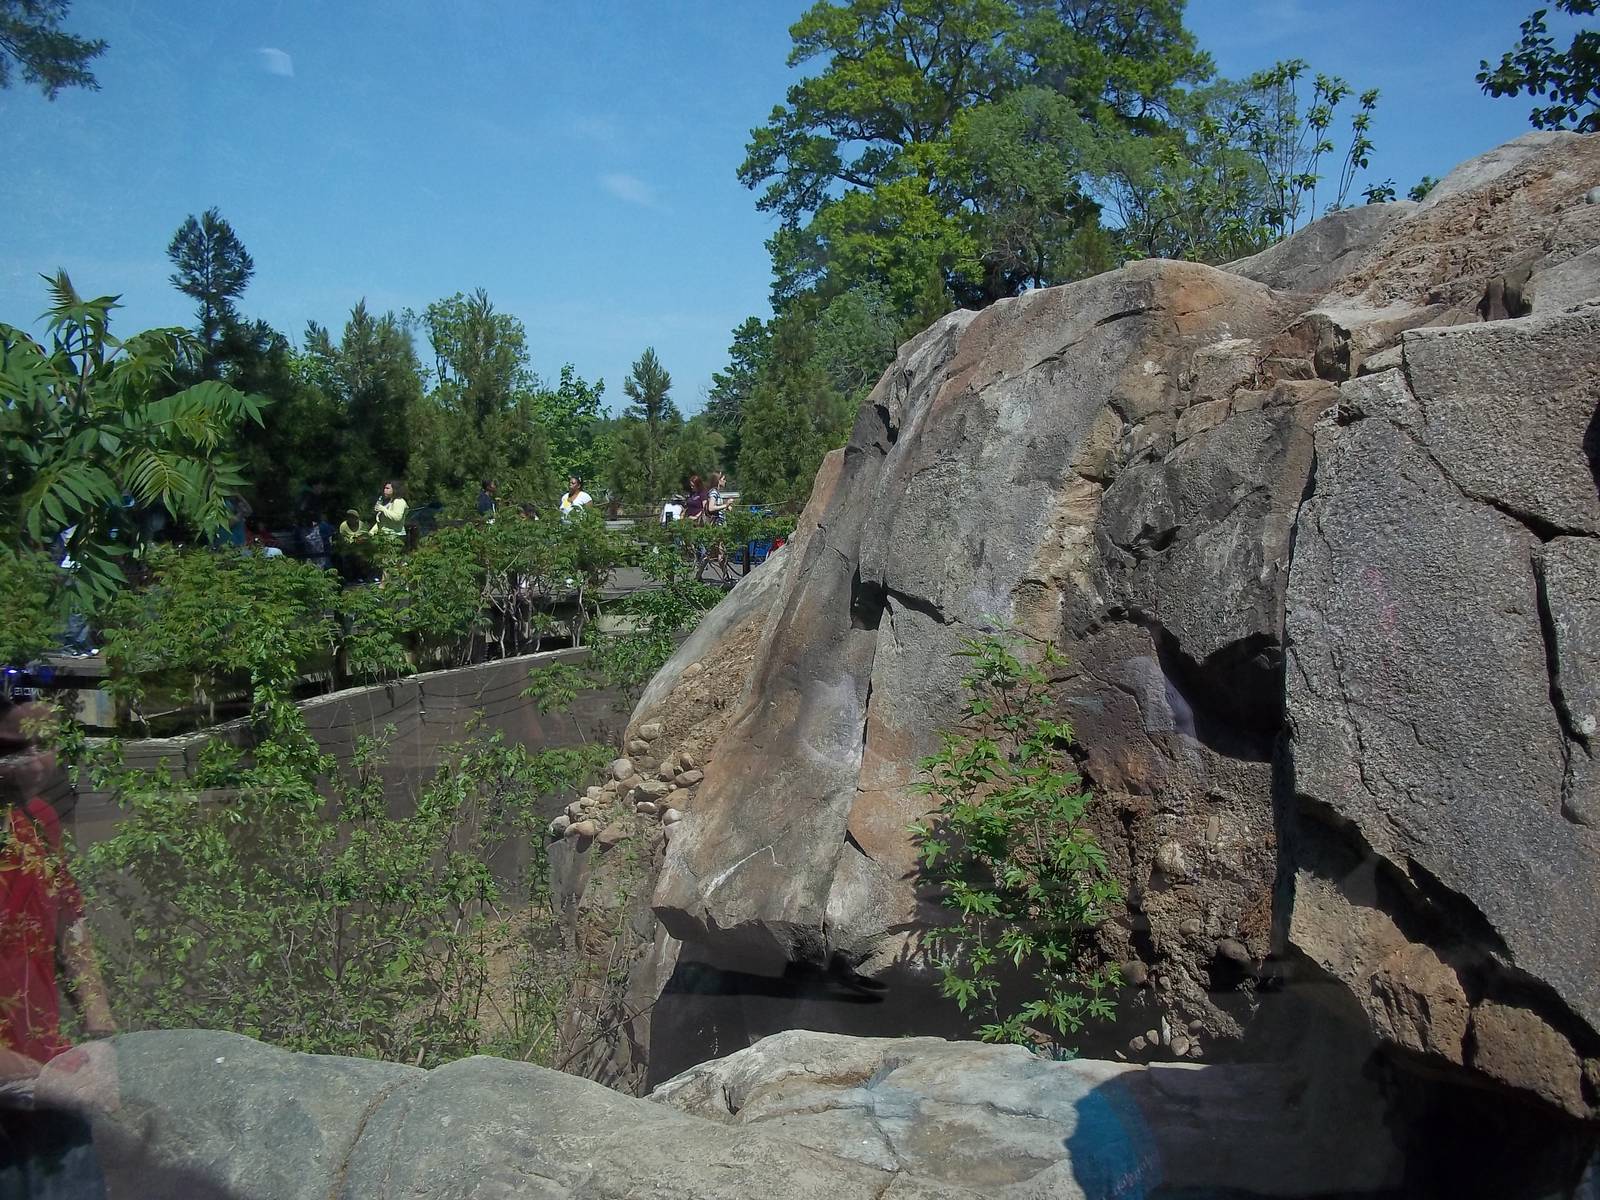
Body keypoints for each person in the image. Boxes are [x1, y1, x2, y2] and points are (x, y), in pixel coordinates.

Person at [0, 701, 115, 1086]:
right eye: (13, 750)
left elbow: (71, 925)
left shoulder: (37, 819)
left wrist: (103, 1033)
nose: (33, 765)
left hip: (44, 1062)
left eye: (42, 745)